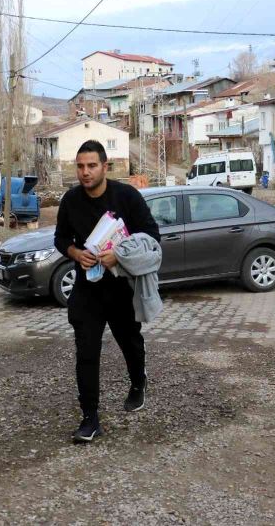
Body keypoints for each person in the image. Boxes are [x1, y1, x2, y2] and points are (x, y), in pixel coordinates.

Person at [54, 140, 160, 443]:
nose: (85, 172)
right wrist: (75, 253)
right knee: (86, 352)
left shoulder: (126, 196)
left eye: (91, 166)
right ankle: (90, 418)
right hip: (87, 290)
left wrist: (120, 256)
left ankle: (138, 384)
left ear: (104, 167)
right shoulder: (71, 200)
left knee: (130, 342)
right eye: (80, 166)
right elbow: (61, 238)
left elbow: (152, 236)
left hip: (122, 289)